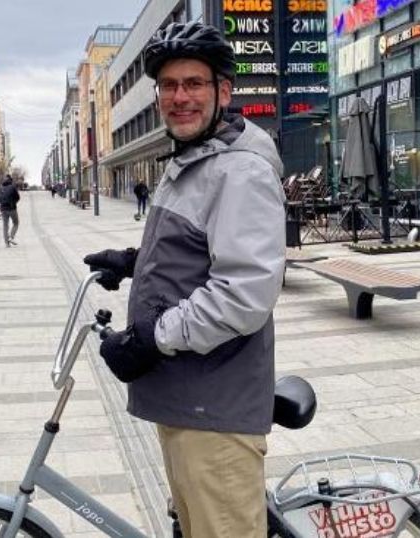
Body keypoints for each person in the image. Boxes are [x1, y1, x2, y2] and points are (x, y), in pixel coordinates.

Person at [83, 21, 285, 538]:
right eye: (169, 86)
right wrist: (135, 260)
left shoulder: (238, 170)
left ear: (222, 91)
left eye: (194, 83)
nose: (180, 97)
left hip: (214, 406)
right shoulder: (195, 161)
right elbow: (202, 251)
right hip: (188, 396)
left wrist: (151, 338)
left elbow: (244, 293)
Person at [0, 174, 20, 247]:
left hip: (3, 209)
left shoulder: (0, 188)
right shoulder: (13, 187)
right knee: (16, 223)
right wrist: (14, 202)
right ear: (10, 180)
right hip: (12, 208)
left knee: (5, 225)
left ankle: (7, 243)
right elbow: (18, 197)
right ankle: (11, 237)